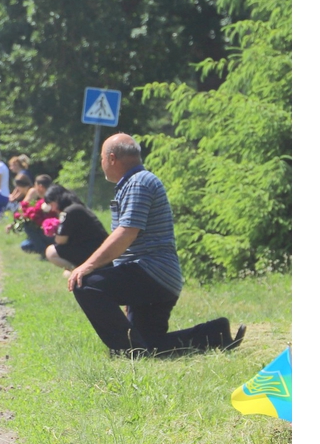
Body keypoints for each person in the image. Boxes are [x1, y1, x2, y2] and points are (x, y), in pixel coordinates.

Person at [67, 134, 245, 356]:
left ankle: (125, 351)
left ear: (111, 158)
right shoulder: (134, 183)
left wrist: (87, 266)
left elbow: (126, 233)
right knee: (151, 346)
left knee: (86, 284)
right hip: (158, 278)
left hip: (152, 274)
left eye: (101, 158)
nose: (101, 163)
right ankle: (214, 334)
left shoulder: (139, 182)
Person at [40, 184, 108, 271]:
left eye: (52, 204)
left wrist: (55, 230)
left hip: (93, 251)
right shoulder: (77, 207)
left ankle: (79, 271)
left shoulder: (69, 211)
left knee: (51, 252)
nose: (52, 209)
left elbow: (60, 241)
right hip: (99, 249)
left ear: (57, 200)